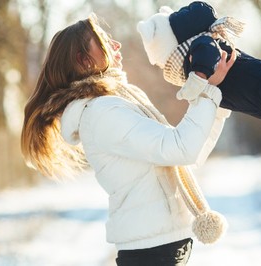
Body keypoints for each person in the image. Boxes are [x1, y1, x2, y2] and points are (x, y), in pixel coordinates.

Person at [21, 13, 235, 265]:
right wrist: (206, 90)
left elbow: (185, 158)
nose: (116, 45)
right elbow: (180, 149)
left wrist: (216, 107)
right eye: (103, 41)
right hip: (151, 252)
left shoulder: (118, 102)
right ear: (84, 60)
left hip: (163, 245)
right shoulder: (102, 112)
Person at [137, 1, 261, 177]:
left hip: (260, 83)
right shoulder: (191, 53)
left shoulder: (201, 44)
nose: (162, 67)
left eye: (160, 62)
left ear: (168, 47)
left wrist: (194, 85)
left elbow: (205, 60)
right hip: (251, 99)